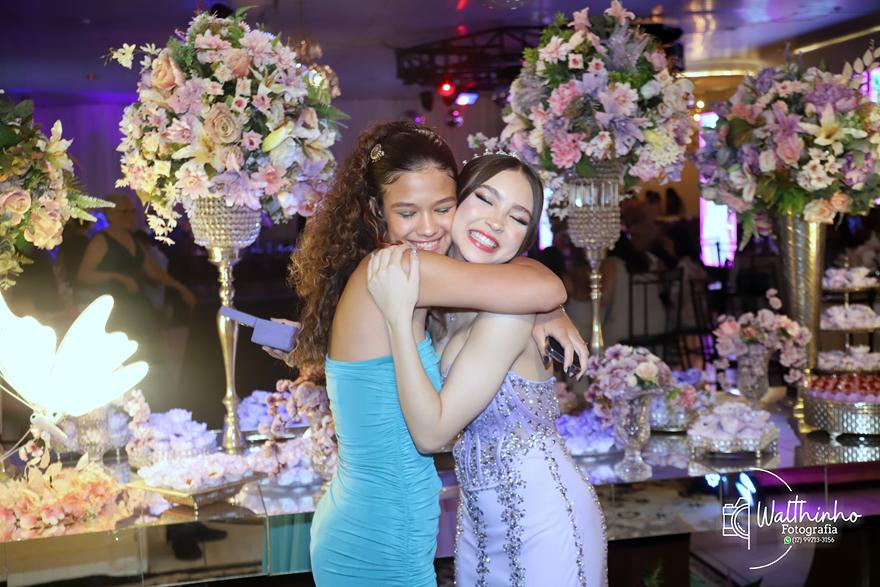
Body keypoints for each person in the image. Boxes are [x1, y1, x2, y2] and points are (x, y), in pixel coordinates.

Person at [288, 121, 587, 586]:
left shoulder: (397, 276)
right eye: (407, 211)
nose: (428, 228)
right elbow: (546, 285)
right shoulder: (402, 269)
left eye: (443, 208)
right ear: (377, 211)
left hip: (377, 520)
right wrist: (548, 306)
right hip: (379, 531)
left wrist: (545, 312)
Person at [367, 154, 607, 586]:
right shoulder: (444, 303)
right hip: (477, 524)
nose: (496, 223)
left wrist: (398, 320)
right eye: (485, 199)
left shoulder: (510, 313)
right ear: (456, 201)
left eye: (517, 218)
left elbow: (431, 435)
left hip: (545, 523)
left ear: (524, 240)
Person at [78, 192, 195, 364]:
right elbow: (84, 274)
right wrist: (117, 276)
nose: (130, 216)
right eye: (124, 212)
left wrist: (179, 287)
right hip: (115, 310)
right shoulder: (101, 241)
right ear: (110, 214)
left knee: (151, 355)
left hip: (138, 305)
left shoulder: (132, 239)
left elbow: (152, 270)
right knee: (126, 357)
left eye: (132, 211)